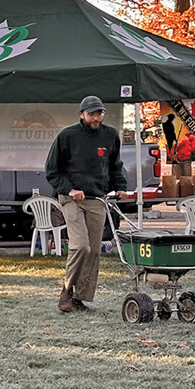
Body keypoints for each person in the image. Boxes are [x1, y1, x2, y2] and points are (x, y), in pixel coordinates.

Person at [45, 96, 128, 313]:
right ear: (81, 114)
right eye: (92, 113)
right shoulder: (67, 136)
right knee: (80, 245)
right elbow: (52, 171)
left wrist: (120, 186)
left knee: (93, 251)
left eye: (99, 113)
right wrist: (70, 189)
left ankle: (79, 299)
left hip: (96, 198)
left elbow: (115, 165)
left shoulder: (110, 135)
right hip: (71, 197)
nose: (96, 117)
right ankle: (66, 292)